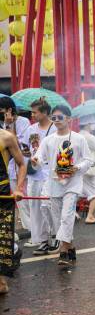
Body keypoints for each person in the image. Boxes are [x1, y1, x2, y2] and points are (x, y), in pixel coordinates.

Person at [31, 105, 92, 268]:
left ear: (69, 119)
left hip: (73, 184)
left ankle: (63, 251)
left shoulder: (79, 139)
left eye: (60, 117)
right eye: (54, 118)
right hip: (54, 184)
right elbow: (39, 157)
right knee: (58, 220)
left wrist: (77, 168)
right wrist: (35, 160)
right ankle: (71, 246)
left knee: (67, 216)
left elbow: (88, 160)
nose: (56, 121)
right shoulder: (48, 140)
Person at [24, 98, 58, 256]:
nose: (32, 115)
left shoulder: (55, 129)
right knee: (35, 209)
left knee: (50, 207)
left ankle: (57, 236)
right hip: (34, 174)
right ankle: (42, 241)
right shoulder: (31, 129)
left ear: (45, 113)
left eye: (35, 112)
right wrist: (26, 154)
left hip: (50, 174)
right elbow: (25, 148)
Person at [0, 123, 27, 294]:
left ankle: (2, 282)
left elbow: (21, 164)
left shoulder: (6, 137)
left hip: (1, 194)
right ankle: (15, 250)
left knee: (1, 237)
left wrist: (18, 188)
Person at [0, 97, 30, 236]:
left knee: (27, 201)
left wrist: (8, 126)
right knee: (20, 206)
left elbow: (21, 146)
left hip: (22, 170)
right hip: (10, 170)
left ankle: (32, 231)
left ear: (9, 110)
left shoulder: (23, 122)